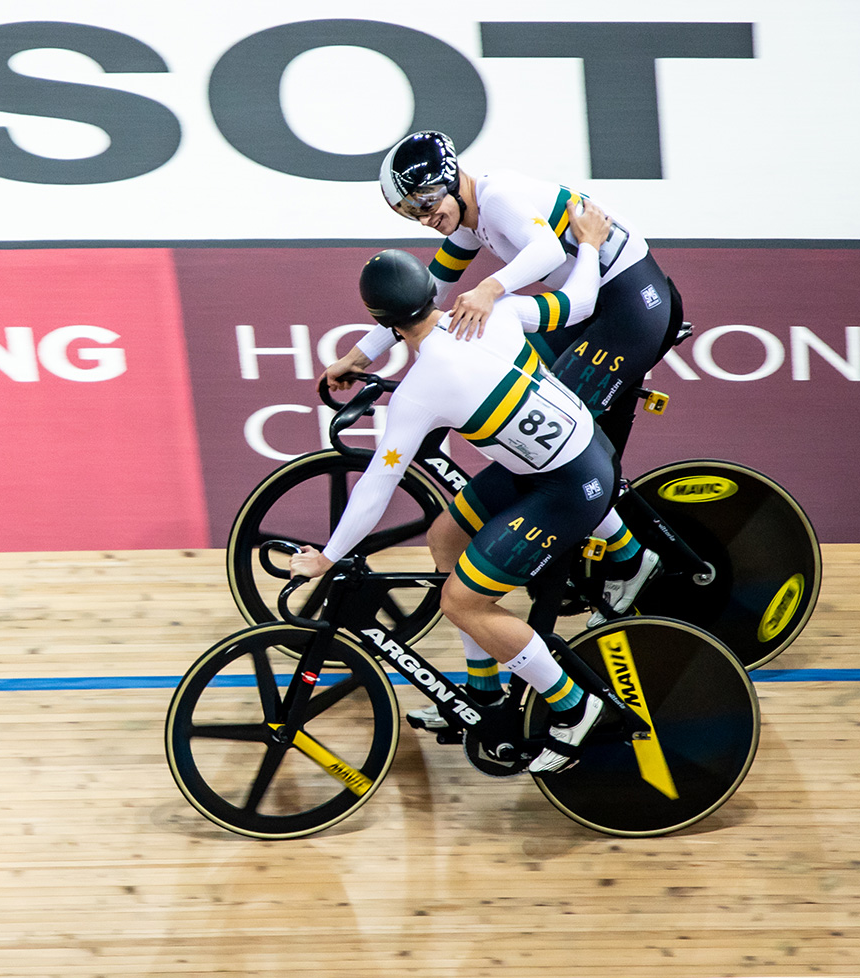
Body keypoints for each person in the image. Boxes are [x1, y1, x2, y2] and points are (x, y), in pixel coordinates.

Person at [288, 201, 616, 773]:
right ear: (431, 295)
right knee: (446, 537)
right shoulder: (500, 312)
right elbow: (582, 301)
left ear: (384, 322)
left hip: (564, 486)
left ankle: (573, 708)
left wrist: (328, 557)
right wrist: (586, 243)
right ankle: (483, 693)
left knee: (461, 601)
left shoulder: (418, 393)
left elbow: (377, 486)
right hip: (577, 454)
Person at [339, 130, 676, 620]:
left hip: (628, 308)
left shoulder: (496, 197)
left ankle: (626, 560)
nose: (426, 216)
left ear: (452, 179)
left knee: (556, 443)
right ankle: (593, 538)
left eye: (428, 198)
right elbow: (420, 297)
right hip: (591, 306)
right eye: (412, 211)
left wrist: (491, 289)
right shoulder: (465, 222)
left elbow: (546, 253)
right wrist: (360, 355)